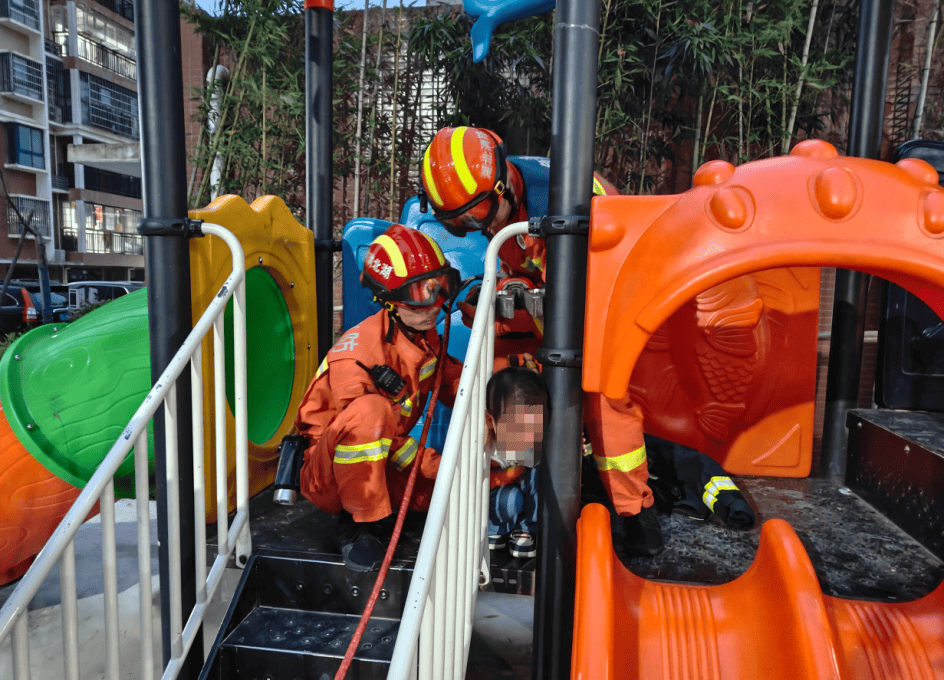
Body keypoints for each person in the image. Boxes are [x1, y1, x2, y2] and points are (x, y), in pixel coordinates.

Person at [420, 126, 663, 556]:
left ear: (503, 185)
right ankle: (506, 496)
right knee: (498, 368)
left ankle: (634, 515)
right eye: (457, 225)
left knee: (604, 403)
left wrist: (533, 303)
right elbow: (533, 271)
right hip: (560, 301)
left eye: (475, 216)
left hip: (611, 301)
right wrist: (500, 296)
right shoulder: (511, 200)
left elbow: (584, 294)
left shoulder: (562, 203)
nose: (473, 228)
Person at [294, 223, 464, 572]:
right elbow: (366, 433)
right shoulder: (358, 355)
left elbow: (460, 386)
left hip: (385, 461)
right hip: (331, 476)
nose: (434, 304)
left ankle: (517, 501)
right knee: (372, 412)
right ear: (388, 301)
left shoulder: (425, 337)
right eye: (420, 293)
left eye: (440, 285)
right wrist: (442, 466)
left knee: (454, 498)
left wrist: (507, 413)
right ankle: (360, 526)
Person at [485, 366, 548, 559]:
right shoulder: (486, 446)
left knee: (541, 475)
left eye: (533, 427)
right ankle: (495, 527)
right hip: (502, 496)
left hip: (523, 493)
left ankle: (525, 527)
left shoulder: (533, 441)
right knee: (511, 498)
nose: (525, 437)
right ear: (491, 421)